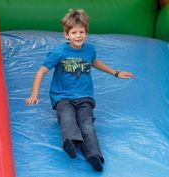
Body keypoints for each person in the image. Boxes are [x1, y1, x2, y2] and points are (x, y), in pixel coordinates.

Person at [25, 9, 134, 172]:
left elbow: (94, 62)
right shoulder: (59, 52)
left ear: (86, 33)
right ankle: (71, 142)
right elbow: (41, 71)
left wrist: (116, 73)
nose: (78, 35)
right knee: (68, 118)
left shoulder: (89, 50)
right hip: (62, 97)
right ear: (66, 35)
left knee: (87, 125)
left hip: (84, 97)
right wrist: (34, 94)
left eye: (81, 32)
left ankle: (94, 155)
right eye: (74, 32)